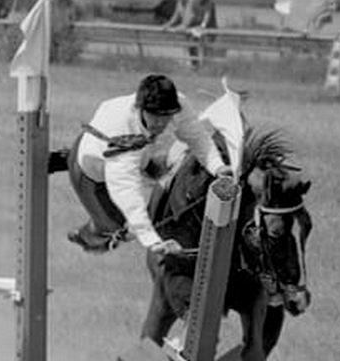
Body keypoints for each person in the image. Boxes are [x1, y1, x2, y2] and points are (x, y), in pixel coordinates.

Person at [66, 74, 232, 254]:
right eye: (154, 115)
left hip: (140, 154)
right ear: (140, 108)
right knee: (120, 229)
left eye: (166, 116)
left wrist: (218, 167)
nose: (161, 123)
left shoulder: (179, 105)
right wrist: (152, 241)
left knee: (173, 159)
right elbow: (126, 191)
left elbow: (197, 137)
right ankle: (87, 236)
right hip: (93, 172)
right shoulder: (121, 130)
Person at [163, 0, 203, 69]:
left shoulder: (192, 2)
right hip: (187, 29)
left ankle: (197, 65)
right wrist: (168, 24)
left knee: (193, 45)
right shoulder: (179, 3)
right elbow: (175, 16)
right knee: (189, 46)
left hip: (196, 28)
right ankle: (194, 65)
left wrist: (179, 27)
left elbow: (192, 17)